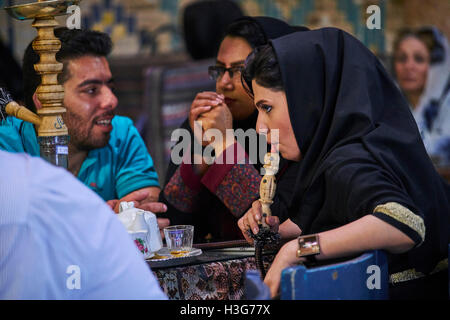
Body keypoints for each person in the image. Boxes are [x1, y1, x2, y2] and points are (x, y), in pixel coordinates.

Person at [240, 28, 450, 299]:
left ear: (309, 100)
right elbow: (337, 213)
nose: (259, 127)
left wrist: (297, 249)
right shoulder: (346, 148)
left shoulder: (349, 159)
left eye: (267, 108)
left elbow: (403, 224)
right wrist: (276, 230)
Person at [0, 27, 169, 229]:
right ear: (46, 101)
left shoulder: (121, 132)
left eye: (110, 87)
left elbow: (148, 210)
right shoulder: (7, 148)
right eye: (91, 90)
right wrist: (103, 223)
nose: (112, 100)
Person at [159, 17, 307, 243]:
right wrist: (201, 157)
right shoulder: (205, 123)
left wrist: (223, 146)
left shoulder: (291, 129)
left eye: (239, 70)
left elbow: (273, 225)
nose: (224, 83)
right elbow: (171, 230)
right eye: (220, 70)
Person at [0, 150, 167, 299]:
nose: (110, 112)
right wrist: (103, 220)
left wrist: (115, 219)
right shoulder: (13, 145)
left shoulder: (120, 131)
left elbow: (149, 205)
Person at [393, 26, 450, 166]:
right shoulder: (388, 102)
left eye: (418, 59)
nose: (408, 66)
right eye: (402, 58)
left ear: (436, 66)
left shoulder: (446, 105)